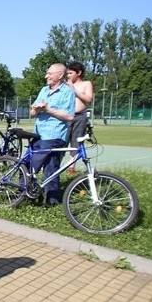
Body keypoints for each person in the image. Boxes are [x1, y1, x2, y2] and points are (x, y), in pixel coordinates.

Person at [29, 63, 75, 207]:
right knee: (47, 166)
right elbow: (31, 112)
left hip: (54, 135)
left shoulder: (67, 92)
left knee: (34, 165)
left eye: (49, 73)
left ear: (60, 75)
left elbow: (69, 116)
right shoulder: (43, 90)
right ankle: (47, 198)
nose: (46, 76)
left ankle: (45, 198)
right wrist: (36, 110)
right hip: (38, 134)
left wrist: (48, 109)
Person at [65, 61, 93, 174]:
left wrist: (74, 90)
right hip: (66, 117)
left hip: (80, 116)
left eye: (71, 73)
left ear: (79, 72)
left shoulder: (86, 84)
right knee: (61, 141)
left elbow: (88, 99)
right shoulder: (65, 84)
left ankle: (71, 167)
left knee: (76, 142)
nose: (68, 75)